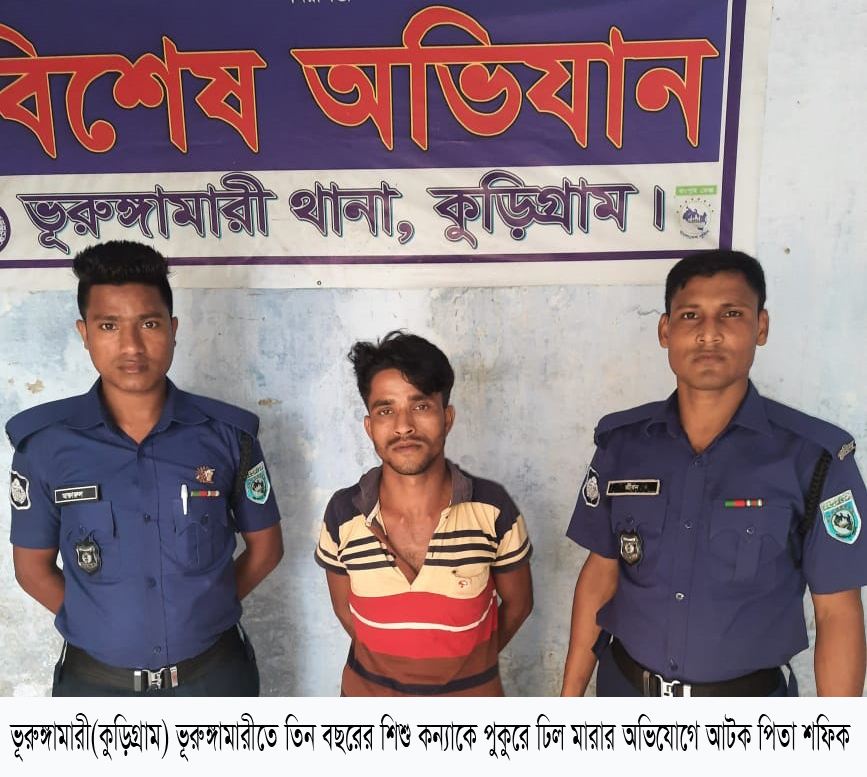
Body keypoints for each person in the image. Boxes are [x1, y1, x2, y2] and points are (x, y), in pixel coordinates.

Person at [561, 249, 867, 697]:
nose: (709, 333)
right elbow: (600, 575)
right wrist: (568, 699)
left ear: (761, 327)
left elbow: (837, 613)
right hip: (623, 693)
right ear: (665, 331)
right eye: (690, 315)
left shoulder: (815, 459)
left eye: (731, 313)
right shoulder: (622, 445)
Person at [7, 240, 284, 696]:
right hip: (95, 687)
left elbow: (266, 549)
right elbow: (32, 570)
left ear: (173, 329)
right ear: (84, 333)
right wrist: (101, 625)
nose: (131, 345)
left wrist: (205, 610)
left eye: (149, 323)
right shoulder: (45, 446)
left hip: (214, 680)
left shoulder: (229, 437)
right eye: (109, 325)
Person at [314, 331, 533, 695]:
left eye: (420, 406)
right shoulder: (343, 514)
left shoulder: (492, 509)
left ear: (447, 418)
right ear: (369, 427)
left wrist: (467, 665)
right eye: (386, 410)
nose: (404, 426)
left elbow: (519, 604)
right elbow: (345, 610)